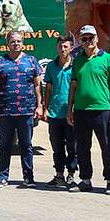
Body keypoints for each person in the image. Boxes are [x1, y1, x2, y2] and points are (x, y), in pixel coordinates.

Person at [69, 25, 110, 194]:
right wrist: (70, 109)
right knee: (83, 147)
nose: (88, 41)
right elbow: (73, 87)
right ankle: (85, 180)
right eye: (84, 38)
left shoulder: (108, 59)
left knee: (107, 146)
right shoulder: (77, 61)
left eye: (91, 38)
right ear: (80, 41)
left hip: (102, 110)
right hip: (81, 110)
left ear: (97, 39)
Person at [0, 30, 43, 189]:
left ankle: (28, 177)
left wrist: (40, 106)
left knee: (26, 145)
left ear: (23, 43)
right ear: (7, 44)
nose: (16, 44)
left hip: (26, 111)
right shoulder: (0, 62)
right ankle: (2, 177)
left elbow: (37, 85)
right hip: (5, 111)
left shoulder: (31, 61)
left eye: (19, 41)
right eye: (13, 41)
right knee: (5, 145)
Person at [42, 36, 78, 189]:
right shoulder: (51, 66)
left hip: (72, 113)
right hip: (55, 113)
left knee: (72, 146)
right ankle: (59, 175)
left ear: (71, 48)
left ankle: (71, 175)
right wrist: (45, 108)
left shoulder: (76, 65)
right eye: (60, 46)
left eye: (65, 46)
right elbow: (48, 89)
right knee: (57, 147)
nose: (62, 49)